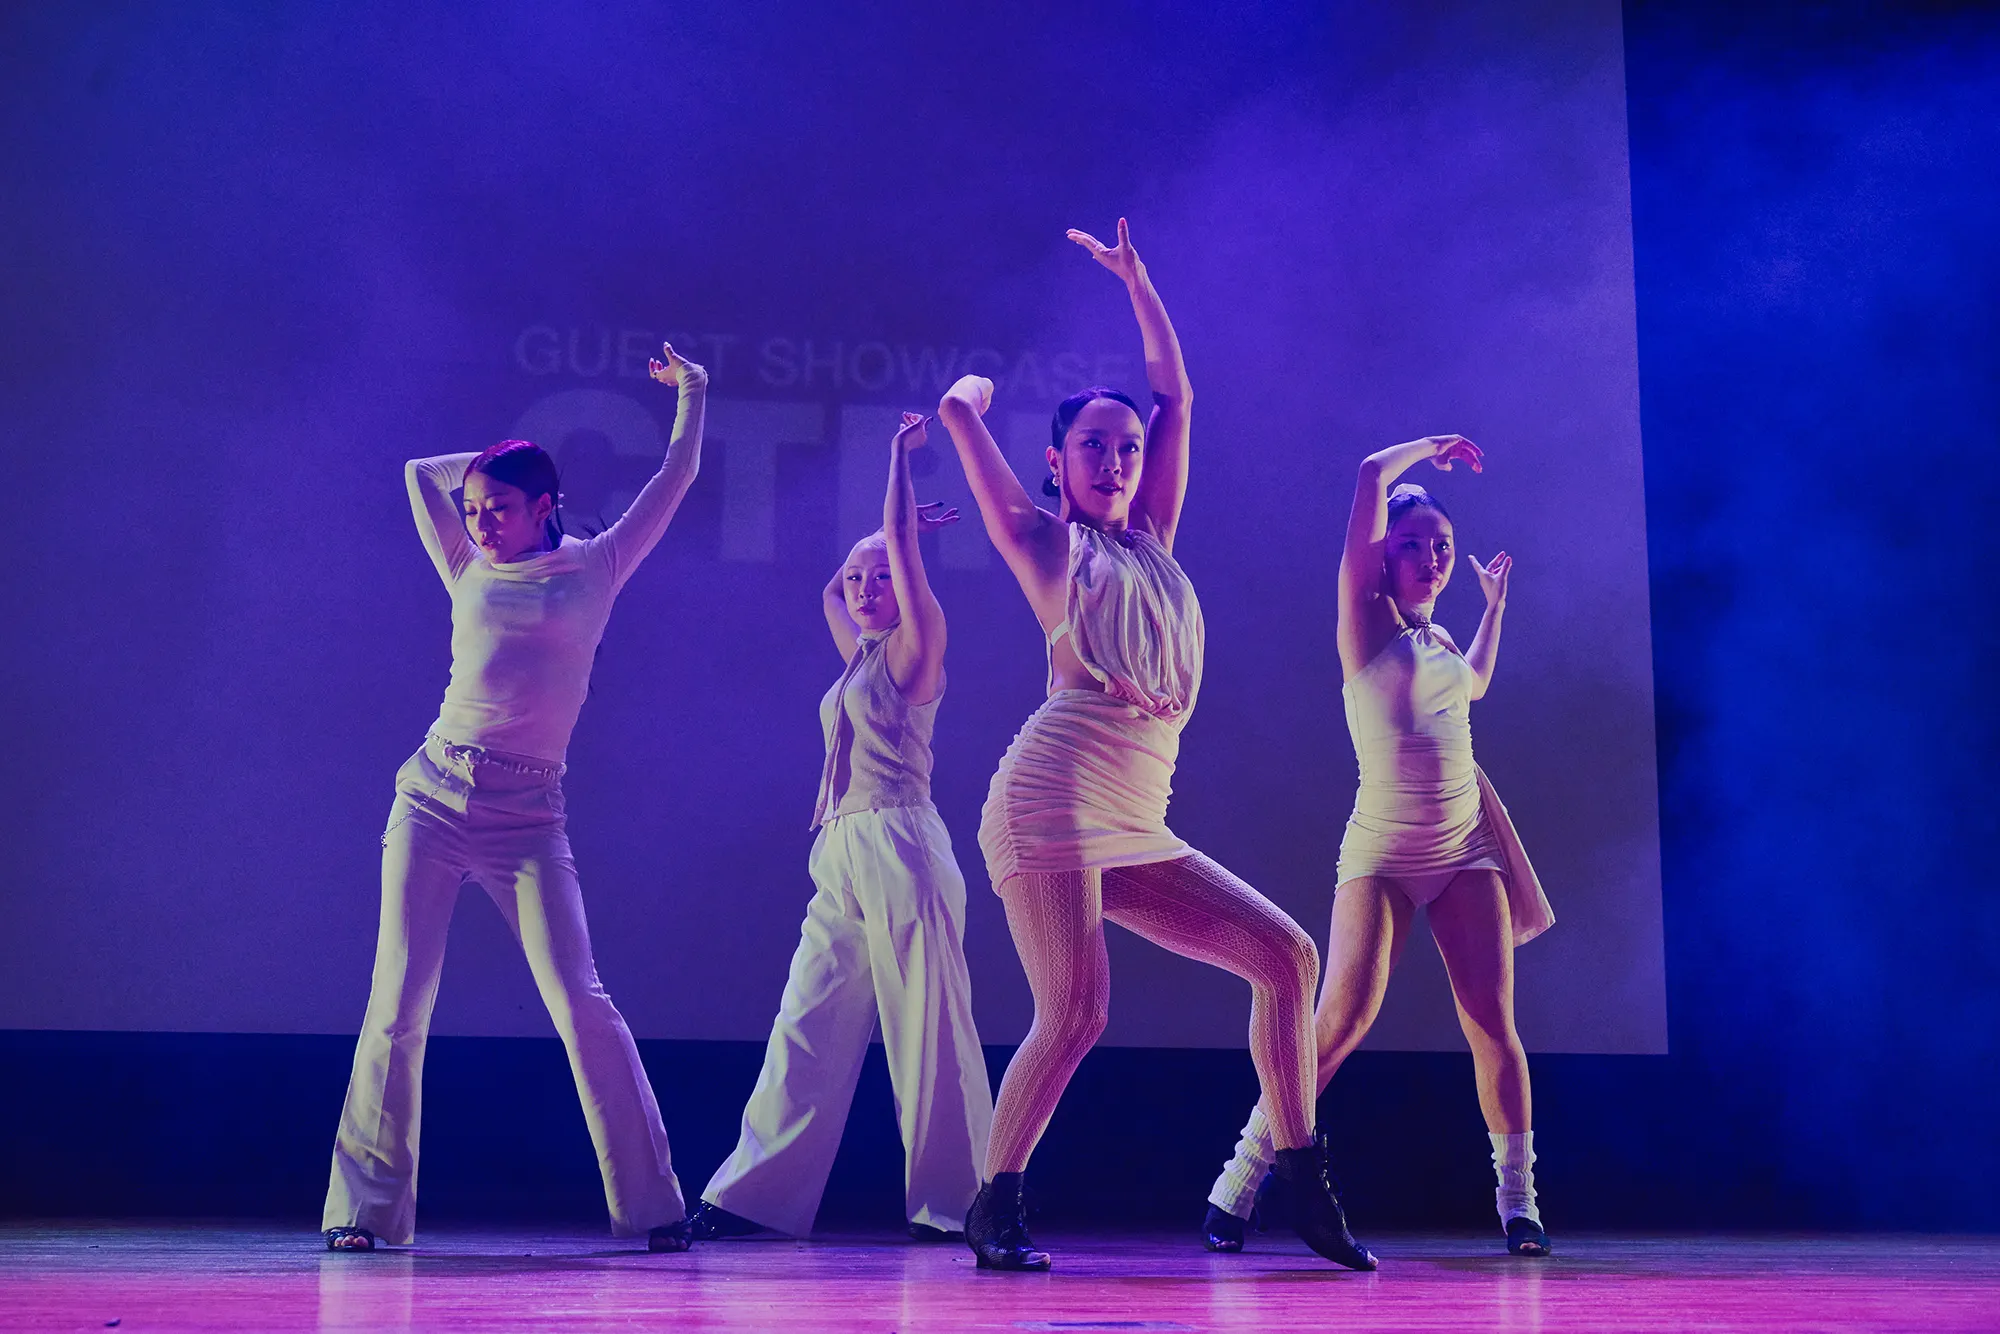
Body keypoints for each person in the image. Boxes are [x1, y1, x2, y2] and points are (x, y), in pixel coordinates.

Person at [935, 219, 1375, 1272]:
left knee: (1286, 957)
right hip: (1051, 796)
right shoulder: (1047, 543)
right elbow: (956, 413)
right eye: (1093, 446)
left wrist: (1137, 282)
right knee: (1075, 1011)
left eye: (1126, 447)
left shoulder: (1156, 542)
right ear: (1057, 463)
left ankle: (1301, 1179)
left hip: (1135, 813)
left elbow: (1177, 396)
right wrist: (971, 397)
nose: (1116, 460)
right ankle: (994, 1205)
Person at [321, 343, 708, 1253]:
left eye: (499, 508)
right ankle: (364, 1215)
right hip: (432, 798)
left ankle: (653, 1210)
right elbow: (420, 472)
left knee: (581, 1001)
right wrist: (491, 466)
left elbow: (678, 475)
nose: (481, 522)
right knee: (397, 1001)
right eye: (474, 510)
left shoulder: (599, 565)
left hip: (531, 819)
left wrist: (692, 389)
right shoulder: (464, 562)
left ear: (546, 506)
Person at [1201, 437, 1557, 1258]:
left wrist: (1495, 610)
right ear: (1382, 560)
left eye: (1443, 548)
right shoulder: (1364, 625)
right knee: (1340, 1021)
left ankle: (1520, 1203)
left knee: (1491, 1022)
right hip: (1384, 850)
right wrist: (1429, 449)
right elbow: (1368, 473)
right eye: (1413, 547)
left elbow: (1475, 683)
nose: (1431, 560)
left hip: (1465, 846)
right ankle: (1240, 1179)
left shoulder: (1442, 644)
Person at [686, 413, 994, 1243]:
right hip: (843, 850)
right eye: (858, 576)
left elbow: (898, 564)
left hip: (903, 844)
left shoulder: (914, 651)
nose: (861, 589)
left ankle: (958, 1205)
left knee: (928, 1027)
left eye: (880, 577)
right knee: (808, 1018)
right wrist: (873, 545)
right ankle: (753, 1197)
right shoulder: (859, 654)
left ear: (908, 582)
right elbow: (826, 592)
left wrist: (899, 496)